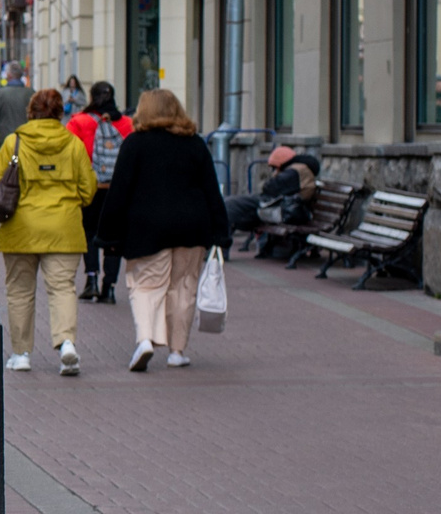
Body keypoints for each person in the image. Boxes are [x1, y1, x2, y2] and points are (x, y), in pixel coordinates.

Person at [98, 90, 232, 370]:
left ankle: (146, 339)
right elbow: (211, 189)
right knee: (183, 288)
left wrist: (108, 233)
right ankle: (177, 352)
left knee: (146, 285)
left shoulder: (134, 144)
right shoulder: (194, 144)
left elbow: (119, 191)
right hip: (192, 226)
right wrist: (221, 231)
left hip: (147, 227)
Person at [0, 87, 94, 378]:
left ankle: (21, 354)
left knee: (19, 291)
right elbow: (88, 190)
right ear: (59, 112)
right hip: (63, 229)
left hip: (21, 228)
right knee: (62, 288)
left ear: (30, 111)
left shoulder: (14, 142)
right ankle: (66, 342)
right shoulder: (73, 143)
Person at [66, 82, 132, 303]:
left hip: (90, 187)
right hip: (118, 190)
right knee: (114, 236)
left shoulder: (78, 122)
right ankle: (109, 287)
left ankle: (91, 280)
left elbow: (70, 156)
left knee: (89, 233)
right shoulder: (126, 123)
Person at [225, 144, 318, 235]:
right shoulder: (297, 168)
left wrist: (275, 175)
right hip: (279, 205)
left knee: (231, 206)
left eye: (274, 167)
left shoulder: (295, 170)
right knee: (230, 205)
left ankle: (221, 244)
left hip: (282, 208)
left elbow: (270, 188)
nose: (274, 171)